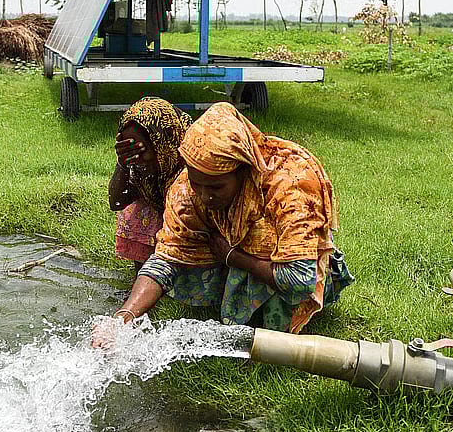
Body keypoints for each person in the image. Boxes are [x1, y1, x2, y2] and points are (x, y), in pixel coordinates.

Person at [98, 102, 352, 341]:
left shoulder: (291, 184)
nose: (206, 196)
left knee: (274, 302)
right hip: (232, 255)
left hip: (292, 270)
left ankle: (271, 326)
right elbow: (165, 259)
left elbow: (300, 279)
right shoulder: (186, 189)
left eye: (217, 186)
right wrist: (125, 316)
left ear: (243, 170)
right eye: (198, 182)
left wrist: (233, 257)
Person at [108, 97, 193, 270]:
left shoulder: (193, 159)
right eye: (129, 150)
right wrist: (122, 164)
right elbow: (116, 201)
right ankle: (146, 276)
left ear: (162, 143)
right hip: (162, 214)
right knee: (136, 211)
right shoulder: (139, 166)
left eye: (140, 150)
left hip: (195, 235)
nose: (136, 159)